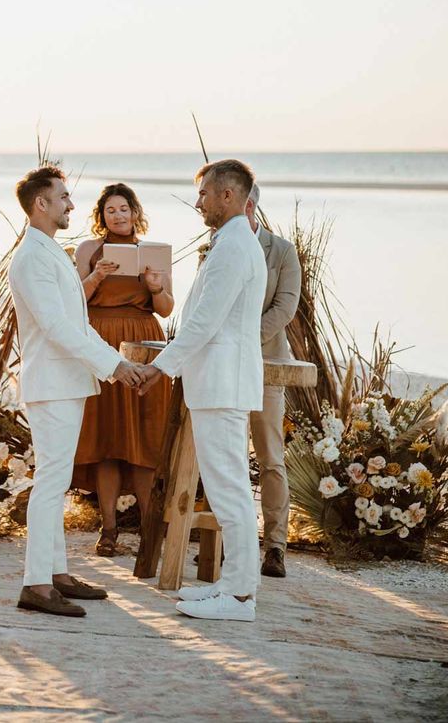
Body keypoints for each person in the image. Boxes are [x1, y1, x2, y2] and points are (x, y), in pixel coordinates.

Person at [8, 166, 146, 618]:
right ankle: (36, 583)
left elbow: (79, 324)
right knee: (50, 483)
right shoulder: (31, 257)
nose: (70, 204)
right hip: (51, 384)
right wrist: (114, 364)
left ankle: (58, 574)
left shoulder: (52, 252)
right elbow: (57, 327)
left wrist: (114, 363)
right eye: (63, 197)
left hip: (67, 382)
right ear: (40, 204)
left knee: (57, 481)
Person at [138, 159, 267, 622]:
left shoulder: (234, 247)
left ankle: (238, 598)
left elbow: (206, 322)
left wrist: (160, 367)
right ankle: (232, 587)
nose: (198, 202)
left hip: (223, 383)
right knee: (225, 487)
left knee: (229, 490)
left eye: (204, 194)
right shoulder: (231, 242)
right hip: (217, 382)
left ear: (229, 196)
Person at [71, 183, 174, 556]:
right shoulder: (87, 250)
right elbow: (72, 303)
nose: (118, 215)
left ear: (135, 212)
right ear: (102, 215)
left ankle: (151, 528)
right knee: (107, 439)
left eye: (124, 209)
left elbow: (165, 309)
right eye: (111, 210)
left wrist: (155, 286)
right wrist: (96, 276)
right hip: (100, 344)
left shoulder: (153, 252)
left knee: (145, 438)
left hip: (144, 341)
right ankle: (109, 529)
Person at [246, 184, 302, 579]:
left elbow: (285, 307)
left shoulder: (281, 251)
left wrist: (243, 338)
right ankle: (228, 542)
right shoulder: (212, 249)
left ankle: (275, 547)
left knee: (271, 457)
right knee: (225, 455)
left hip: (267, 362)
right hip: (223, 366)